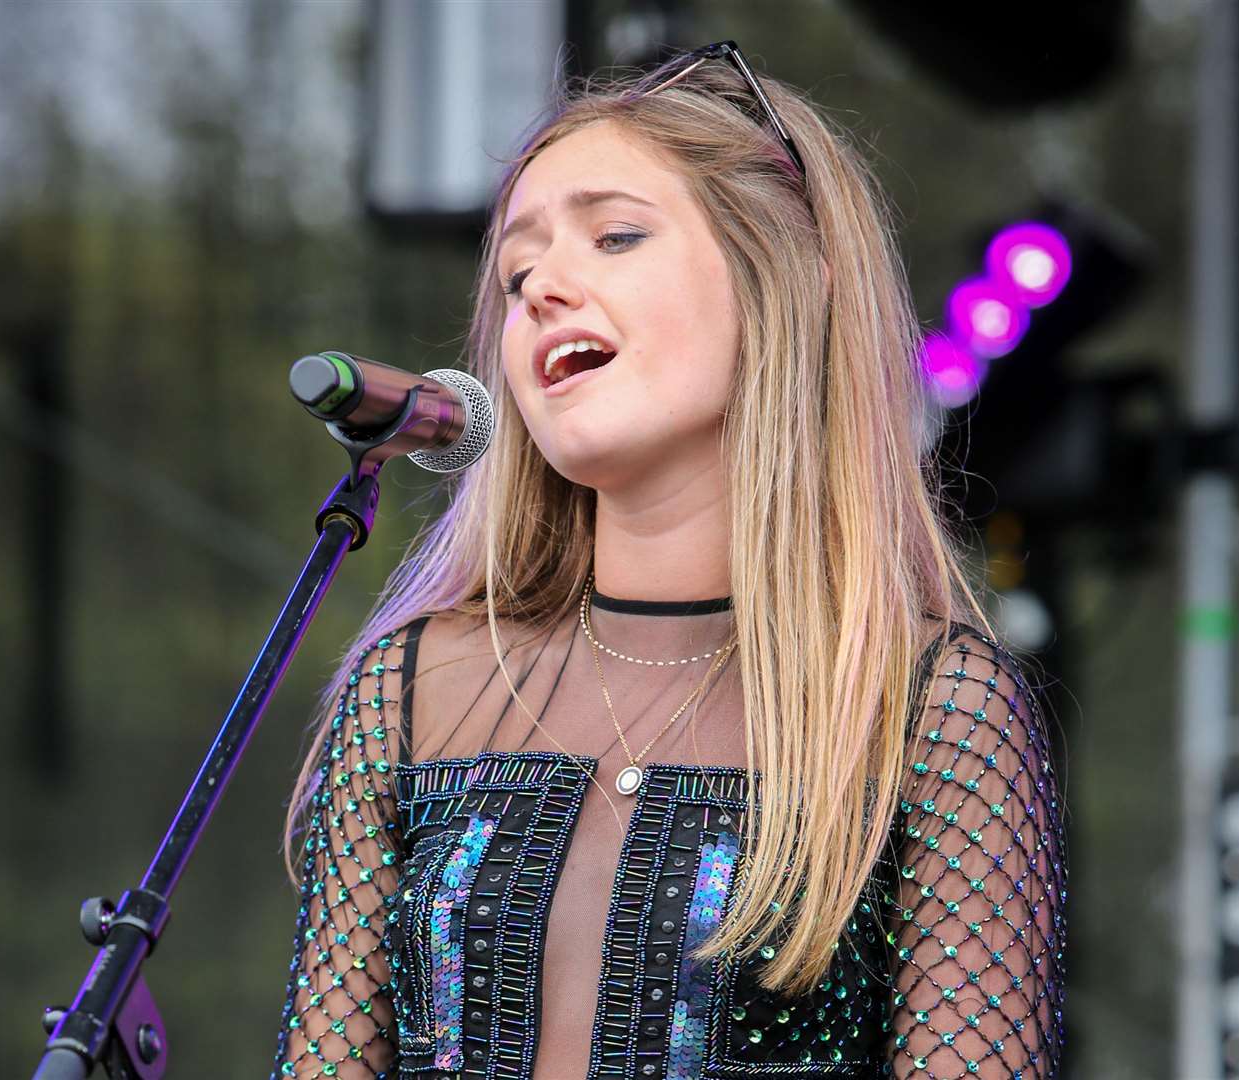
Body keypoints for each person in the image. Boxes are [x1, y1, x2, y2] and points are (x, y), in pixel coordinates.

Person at [272, 41, 1067, 1080]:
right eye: (516, 275)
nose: (545, 287)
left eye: (615, 235)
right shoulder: (413, 689)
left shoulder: (927, 711)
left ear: (785, 280)